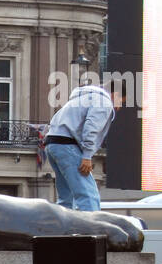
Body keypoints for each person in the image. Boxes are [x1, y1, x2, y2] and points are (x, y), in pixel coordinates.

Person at [44, 79, 122, 211]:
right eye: (121, 101)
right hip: (68, 145)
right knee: (88, 195)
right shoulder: (104, 102)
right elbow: (91, 127)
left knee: (66, 197)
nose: (119, 107)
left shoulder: (82, 98)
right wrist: (87, 156)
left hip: (53, 144)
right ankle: (93, 229)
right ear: (116, 94)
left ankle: (62, 229)